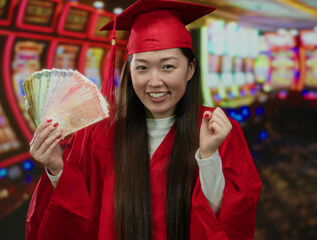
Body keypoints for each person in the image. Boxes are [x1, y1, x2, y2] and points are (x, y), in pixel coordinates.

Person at [26, 0, 262, 239]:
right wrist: (56, 169)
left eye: (168, 66)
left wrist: (209, 157)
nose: (155, 81)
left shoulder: (216, 129)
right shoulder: (97, 134)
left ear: (190, 69)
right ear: (129, 70)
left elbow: (227, 221)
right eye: (142, 68)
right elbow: (79, 216)